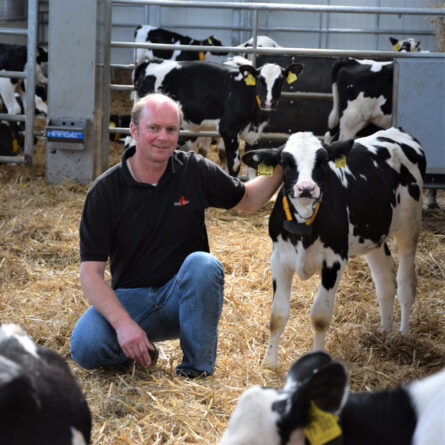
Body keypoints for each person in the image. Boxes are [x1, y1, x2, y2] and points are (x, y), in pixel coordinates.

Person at [70, 93, 282, 378]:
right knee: (85, 346)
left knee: (203, 265)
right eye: (153, 128)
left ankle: (196, 372)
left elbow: (248, 200)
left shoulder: (193, 170)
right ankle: (142, 349)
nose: (163, 137)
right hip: (132, 300)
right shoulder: (105, 191)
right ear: (134, 130)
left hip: (184, 298)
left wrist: (284, 163)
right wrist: (123, 325)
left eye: (171, 130)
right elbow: (91, 275)